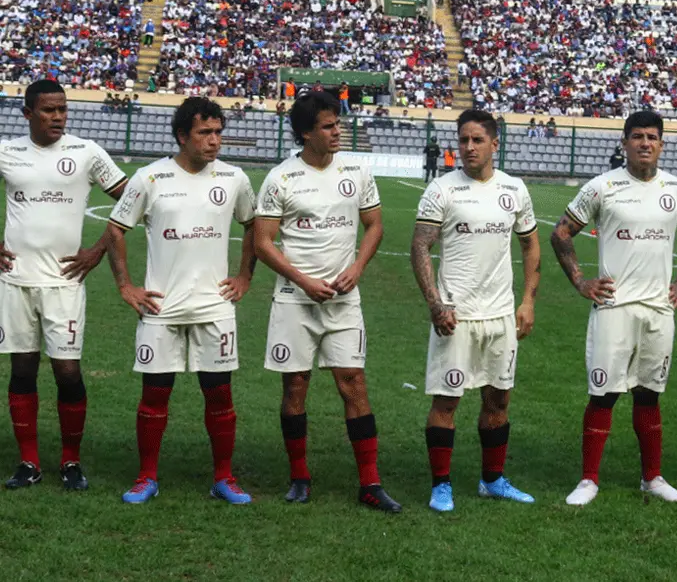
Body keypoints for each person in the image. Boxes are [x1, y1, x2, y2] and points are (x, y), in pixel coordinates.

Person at [550, 110, 677, 506]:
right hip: (614, 308)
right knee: (603, 393)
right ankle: (588, 480)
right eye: (636, 136)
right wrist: (580, 281)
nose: (644, 143)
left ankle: (652, 477)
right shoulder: (602, 187)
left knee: (649, 394)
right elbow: (561, 234)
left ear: (661, 144)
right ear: (624, 143)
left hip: (658, 310)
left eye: (652, 137)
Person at [104, 97, 257, 505]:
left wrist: (244, 276)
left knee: (220, 394)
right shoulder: (150, 179)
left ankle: (224, 477)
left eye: (218, 132)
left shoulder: (235, 178)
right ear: (182, 136)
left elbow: (254, 225)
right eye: (205, 133)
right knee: (155, 394)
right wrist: (126, 286)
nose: (214, 141)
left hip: (214, 305)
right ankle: (146, 477)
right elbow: (116, 229)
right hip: (161, 306)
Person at [254, 91, 401, 511]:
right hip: (294, 301)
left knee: (353, 384)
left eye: (338, 124)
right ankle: (299, 476)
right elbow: (263, 242)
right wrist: (301, 281)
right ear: (305, 132)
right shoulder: (281, 178)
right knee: (296, 385)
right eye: (328, 126)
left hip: (343, 300)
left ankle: (370, 484)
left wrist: (357, 267)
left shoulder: (357, 169)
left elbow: (374, 226)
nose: (338, 131)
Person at [410, 109, 540, 512]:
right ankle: (441, 485)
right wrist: (436, 304)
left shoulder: (514, 189)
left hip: (501, 316)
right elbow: (420, 246)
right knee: (446, 402)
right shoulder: (442, 189)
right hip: (456, 317)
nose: (467, 147)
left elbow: (530, 245)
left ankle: (493, 480)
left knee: (498, 401)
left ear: (494, 144)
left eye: (476, 140)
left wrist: (528, 301)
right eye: (462, 140)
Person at [0, 80, 128, 491]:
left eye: (62, 109)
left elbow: (133, 201)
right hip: (15, 280)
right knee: (21, 370)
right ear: (28, 114)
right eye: (48, 110)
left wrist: (98, 250)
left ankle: (71, 462)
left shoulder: (86, 152)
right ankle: (29, 462)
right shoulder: (8, 151)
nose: (58, 117)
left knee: (67, 371)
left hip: (65, 281)